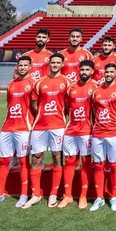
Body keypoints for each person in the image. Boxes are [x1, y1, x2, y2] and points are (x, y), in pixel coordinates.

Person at [0, 55, 34, 207]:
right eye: (20, 65)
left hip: (24, 127)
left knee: (24, 161)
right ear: (17, 67)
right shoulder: (11, 84)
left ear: (30, 67)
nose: (23, 67)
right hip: (7, 127)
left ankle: (24, 195)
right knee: (3, 161)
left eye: (25, 65)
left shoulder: (33, 83)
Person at [22, 52, 70, 208]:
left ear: (62, 64)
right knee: (36, 158)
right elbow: (34, 104)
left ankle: (53, 194)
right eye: (53, 62)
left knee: (57, 156)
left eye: (58, 63)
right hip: (40, 126)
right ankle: (36, 194)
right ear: (49, 63)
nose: (55, 65)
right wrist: (43, 115)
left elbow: (69, 106)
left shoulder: (67, 82)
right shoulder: (39, 82)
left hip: (58, 126)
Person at [89, 64, 116, 212]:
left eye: (112, 71)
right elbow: (94, 111)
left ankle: (114, 197)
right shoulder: (96, 91)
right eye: (107, 71)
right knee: (99, 165)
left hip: (114, 132)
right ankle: (99, 198)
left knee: (113, 165)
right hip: (98, 133)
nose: (109, 74)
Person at [58, 59, 96, 209]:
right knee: (69, 162)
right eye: (82, 70)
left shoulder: (96, 87)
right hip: (71, 131)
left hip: (87, 131)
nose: (84, 72)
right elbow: (67, 107)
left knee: (86, 163)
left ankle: (83, 196)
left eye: (87, 70)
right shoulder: (71, 88)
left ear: (92, 71)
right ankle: (67, 195)